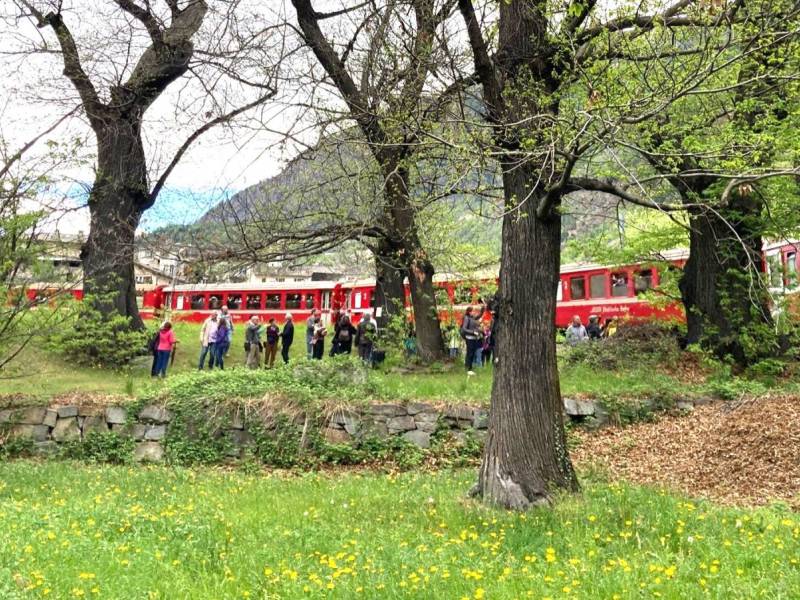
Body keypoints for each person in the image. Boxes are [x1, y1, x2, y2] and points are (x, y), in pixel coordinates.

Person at [460, 303, 485, 375]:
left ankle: (469, 367)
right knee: (470, 353)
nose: (474, 312)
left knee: (473, 353)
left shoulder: (472, 318)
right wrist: (473, 332)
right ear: (469, 311)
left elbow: (479, 315)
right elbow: (464, 329)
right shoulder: (466, 318)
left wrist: (483, 309)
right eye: (473, 311)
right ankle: (468, 368)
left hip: (474, 338)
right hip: (469, 338)